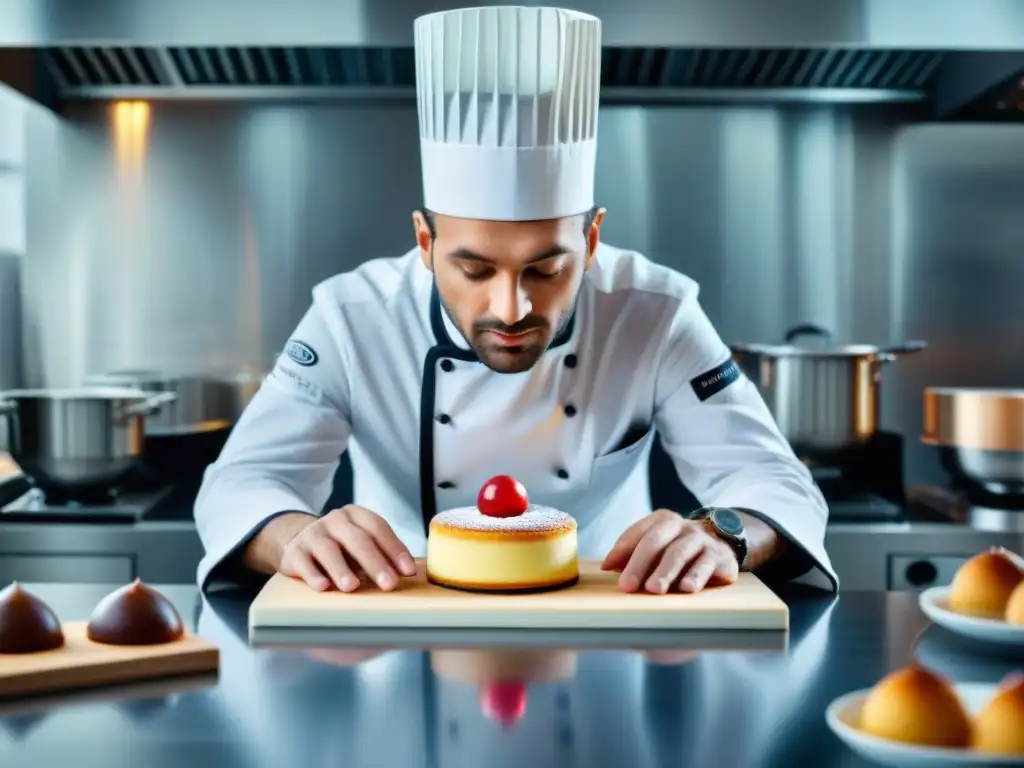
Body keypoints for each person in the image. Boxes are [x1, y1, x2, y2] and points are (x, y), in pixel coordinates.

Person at [193, 6, 839, 596]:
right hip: (395, 635)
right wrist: (295, 536)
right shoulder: (350, 319)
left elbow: (779, 485)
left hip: (606, 642)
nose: (510, 307)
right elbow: (238, 485)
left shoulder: (656, 313)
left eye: (545, 269)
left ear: (590, 243)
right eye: (474, 269)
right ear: (425, 240)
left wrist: (724, 533)